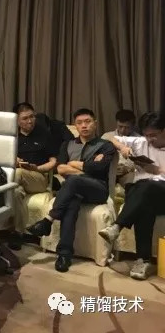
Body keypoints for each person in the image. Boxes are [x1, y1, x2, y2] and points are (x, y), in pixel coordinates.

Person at [27, 108, 115, 272]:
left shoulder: (106, 146)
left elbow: (101, 168)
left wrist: (73, 164)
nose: (84, 126)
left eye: (87, 122)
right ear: (75, 126)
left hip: (98, 189)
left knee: (73, 181)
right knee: (72, 202)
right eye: (79, 123)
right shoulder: (67, 144)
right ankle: (64, 254)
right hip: (73, 190)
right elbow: (60, 169)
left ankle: (48, 220)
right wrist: (88, 167)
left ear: (95, 123)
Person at [98, 111, 165, 280]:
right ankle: (143, 260)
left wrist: (157, 170)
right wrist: (123, 147)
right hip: (143, 195)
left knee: (147, 186)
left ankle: (117, 226)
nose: (150, 139)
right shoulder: (140, 142)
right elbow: (107, 138)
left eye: (154, 135)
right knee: (142, 200)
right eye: (147, 135)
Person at [9, 102, 57, 249]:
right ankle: (18, 233)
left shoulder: (43, 133)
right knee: (16, 192)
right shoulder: (12, 136)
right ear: (17, 120)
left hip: (39, 178)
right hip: (18, 177)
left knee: (16, 175)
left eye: (32, 117)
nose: (30, 121)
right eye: (25, 118)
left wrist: (37, 168)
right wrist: (13, 160)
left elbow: (53, 162)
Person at [102, 109, 140, 185]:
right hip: (109, 171)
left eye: (127, 127)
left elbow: (141, 162)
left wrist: (127, 168)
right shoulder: (107, 136)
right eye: (120, 126)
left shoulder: (138, 139)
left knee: (134, 182)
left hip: (127, 172)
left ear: (133, 126)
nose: (123, 130)